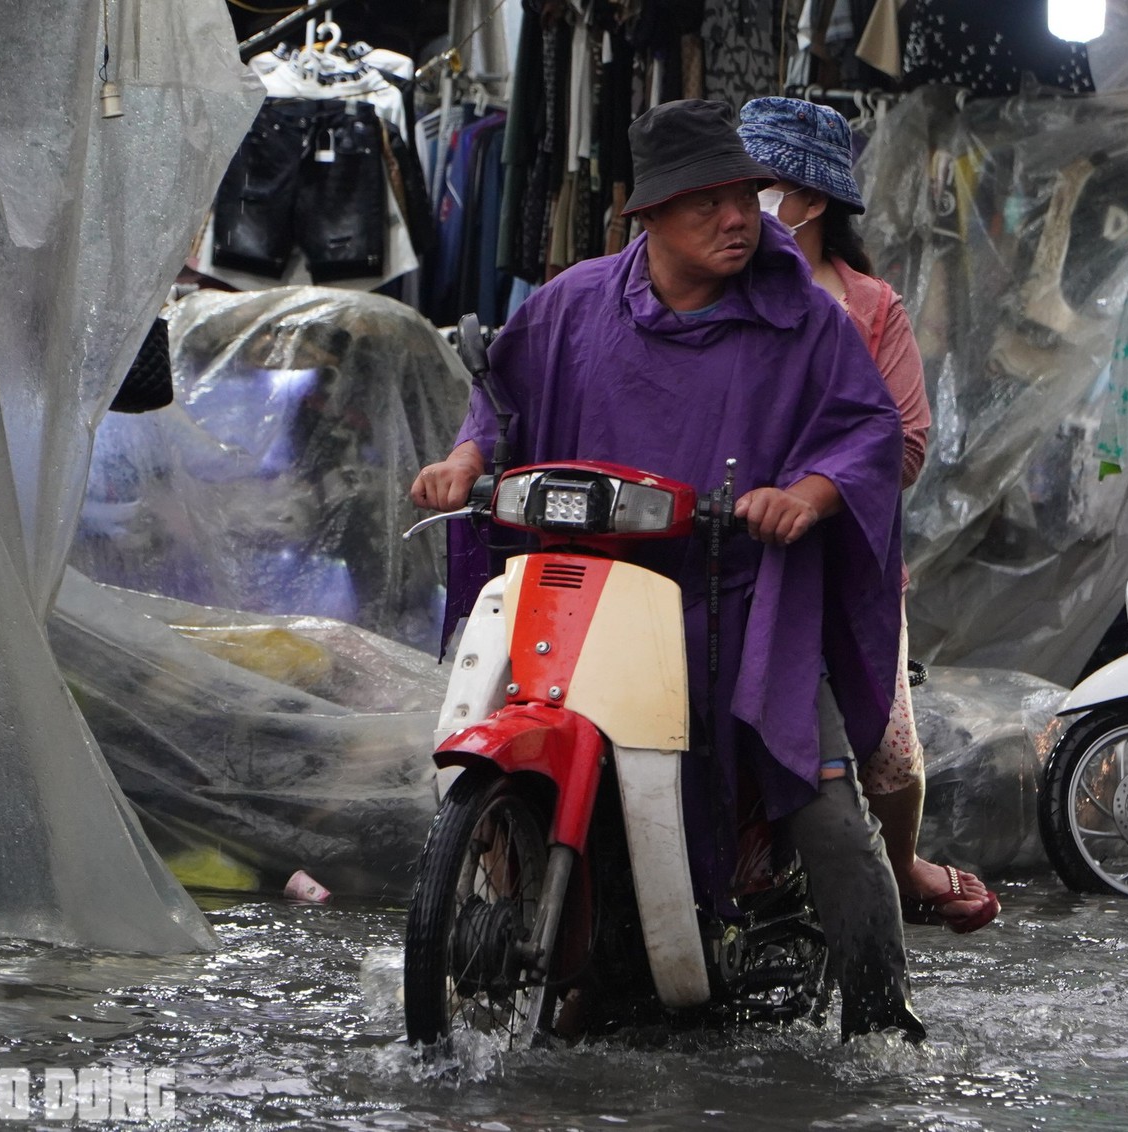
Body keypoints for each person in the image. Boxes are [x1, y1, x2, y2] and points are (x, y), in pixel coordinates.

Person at [410, 99, 924, 1040]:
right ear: (646, 219)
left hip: (744, 605)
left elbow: (867, 432)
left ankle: (883, 1016)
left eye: (746, 196)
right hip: (597, 608)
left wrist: (806, 496)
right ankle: (589, 958)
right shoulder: (571, 303)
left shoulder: (805, 318)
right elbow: (500, 404)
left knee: (829, 819)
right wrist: (466, 462)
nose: (739, 220)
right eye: (708, 205)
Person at [737, 96, 999, 934]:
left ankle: (899, 868)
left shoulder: (869, 306)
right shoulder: (707, 285)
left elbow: (907, 440)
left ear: (809, 201)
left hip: (841, 558)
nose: (739, 203)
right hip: (716, 548)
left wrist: (817, 489)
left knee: (885, 749)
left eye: (759, 185)